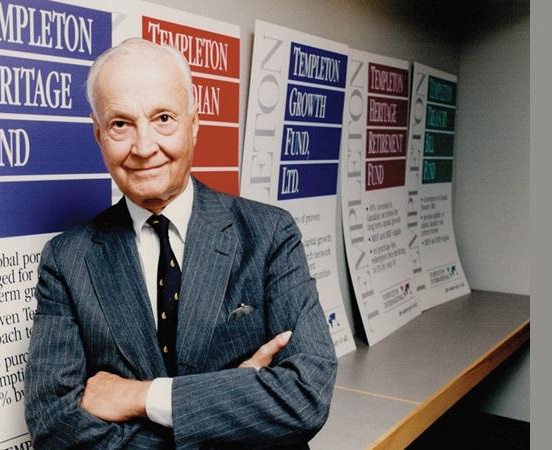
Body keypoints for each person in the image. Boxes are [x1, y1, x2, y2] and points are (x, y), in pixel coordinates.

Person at [23, 38, 337, 449]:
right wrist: (230, 400)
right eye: (121, 124)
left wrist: (140, 396)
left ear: (194, 124)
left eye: (163, 118)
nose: (144, 147)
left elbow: (305, 396)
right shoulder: (67, 260)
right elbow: (54, 425)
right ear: (98, 135)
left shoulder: (269, 233)